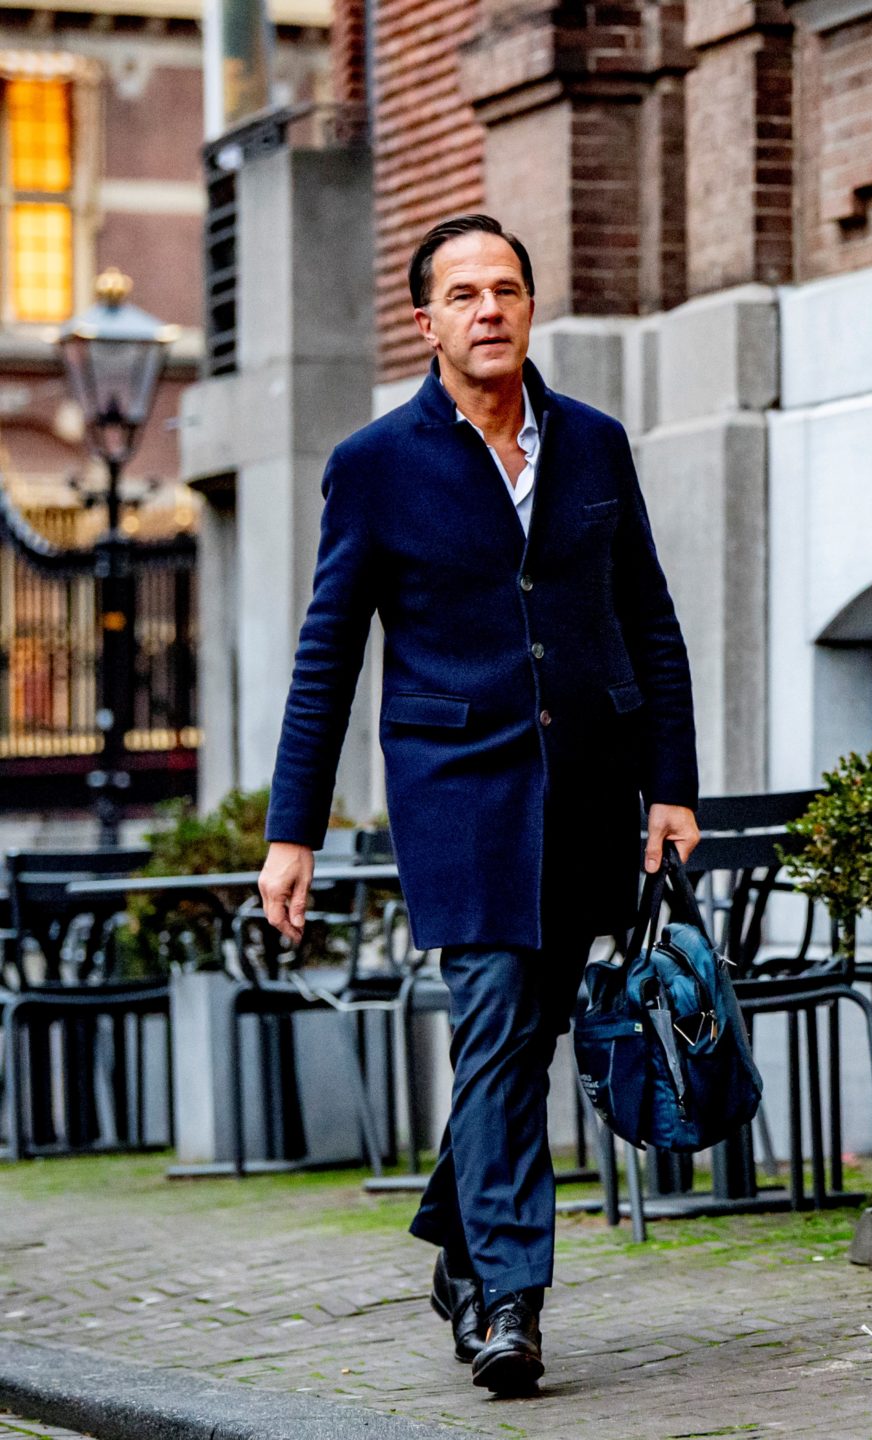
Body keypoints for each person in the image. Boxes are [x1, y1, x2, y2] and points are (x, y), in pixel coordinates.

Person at [256, 213, 700, 1397]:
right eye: (462, 294)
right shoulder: (375, 464)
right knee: (498, 1017)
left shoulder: (595, 445)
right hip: (459, 791)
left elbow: (647, 618)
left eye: (504, 288)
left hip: (593, 786)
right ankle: (511, 1300)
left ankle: (460, 1250)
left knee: (528, 1032)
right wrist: (291, 832)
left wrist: (673, 786)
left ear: (528, 306)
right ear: (427, 322)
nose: (487, 309)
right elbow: (327, 657)